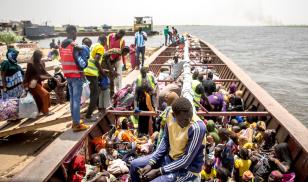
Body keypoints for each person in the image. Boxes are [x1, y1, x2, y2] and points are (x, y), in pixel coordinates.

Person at [130, 97, 207, 182]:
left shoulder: (197, 127)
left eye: (190, 117)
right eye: (184, 119)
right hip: (169, 158)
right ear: (174, 116)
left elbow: (186, 160)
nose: (188, 121)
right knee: (134, 165)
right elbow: (165, 140)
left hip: (186, 169)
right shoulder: (170, 114)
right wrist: (151, 163)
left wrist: (158, 171)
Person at [59, 25, 89, 131]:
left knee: (72, 99)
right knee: (76, 100)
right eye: (76, 32)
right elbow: (78, 61)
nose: (76, 35)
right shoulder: (74, 45)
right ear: (72, 32)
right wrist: (82, 72)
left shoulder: (61, 45)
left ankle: (74, 121)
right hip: (76, 75)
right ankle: (76, 124)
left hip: (67, 75)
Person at [23, 50, 53, 115]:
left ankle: (42, 110)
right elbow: (27, 74)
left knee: (39, 97)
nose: (40, 58)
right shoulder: (31, 64)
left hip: (39, 81)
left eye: (41, 57)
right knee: (46, 94)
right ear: (36, 56)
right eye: (39, 57)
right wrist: (25, 83)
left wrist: (51, 77)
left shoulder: (40, 62)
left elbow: (44, 72)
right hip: (32, 82)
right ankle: (46, 111)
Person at [83, 36, 105, 122]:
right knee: (95, 94)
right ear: (103, 41)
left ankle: (98, 108)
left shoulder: (94, 45)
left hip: (87, 70)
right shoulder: (101, 47)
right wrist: (102, 71)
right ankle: (88, 116)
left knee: (95, 91)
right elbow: (96, 61)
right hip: (91, 72)